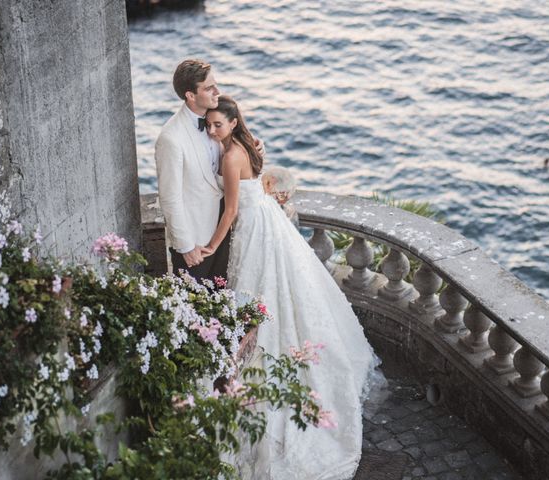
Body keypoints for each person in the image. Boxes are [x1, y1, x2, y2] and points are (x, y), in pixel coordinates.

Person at [204, 95, 382, 480]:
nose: (212, 130)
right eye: (209, 124)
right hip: (267, 221)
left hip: (253, 228)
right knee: (278, 291)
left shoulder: (231, 156)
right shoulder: (248, 147)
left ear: (233, 123)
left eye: (219, 124)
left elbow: (232, 210)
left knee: (262, 293)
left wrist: (211, 246)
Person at [155, 59, 264, 281]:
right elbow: (169, 198)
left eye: (215, 84)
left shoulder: (215, 118)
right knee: (195, 307)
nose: (217, 91)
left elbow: (235, 147)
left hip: (223, 229)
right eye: (208, 88)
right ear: (190, 95)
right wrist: (185, 246)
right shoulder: (171, 138)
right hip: (196, 240)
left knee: (222, 296)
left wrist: (257, 147)